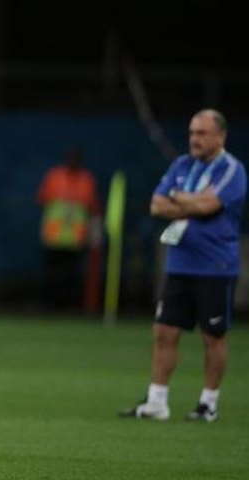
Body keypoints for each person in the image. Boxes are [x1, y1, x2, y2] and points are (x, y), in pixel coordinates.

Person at [119, 109, 246, 422]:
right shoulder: (181, 164)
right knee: (164, 331)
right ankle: (157, 401)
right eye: (192, 133)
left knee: (212, 335)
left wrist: (179, 199)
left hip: (215, 265)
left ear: (220, 136)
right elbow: (156, 204)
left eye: (202, 133)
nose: (194, 139)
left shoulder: (231, 169)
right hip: (179, 264)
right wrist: (189, 200)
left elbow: (211, 205)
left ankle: (208, 403)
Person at [36, 147, 101, 310]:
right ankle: (48, 304)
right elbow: (42, 198)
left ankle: (66, 305)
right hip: (54, 235)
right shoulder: (55, 176)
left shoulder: (86, 180)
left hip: (75, 237)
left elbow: (92, 206)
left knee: (70, 273)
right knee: (51, 272)